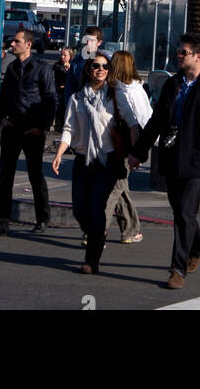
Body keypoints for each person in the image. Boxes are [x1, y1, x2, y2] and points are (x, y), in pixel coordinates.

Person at [128, 32, 200, 290]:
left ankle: (177, 269)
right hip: (172, 156)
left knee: (185, 212)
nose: (178, 55)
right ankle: (198, 248)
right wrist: (138, 151)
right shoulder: (173, 84)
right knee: (181, 212)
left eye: (184, 52)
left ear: (198, 56)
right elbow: (156, 121)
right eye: (178, 51)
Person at [52, 52, 137, 274]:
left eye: (105, 66)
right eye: (96, 66)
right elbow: (69, 129)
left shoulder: (115, 96)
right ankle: (98, 234)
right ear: (88, 70)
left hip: (107, 159)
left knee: (98, 208)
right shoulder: (76, 98)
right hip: (83, 158)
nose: (101, 69)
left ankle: (92, 259)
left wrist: (137, 152)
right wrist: (60, 153)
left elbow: (133, 122)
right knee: (80, 209)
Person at [0, 28, 56, 237]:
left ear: (28, 44)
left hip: (32, 130)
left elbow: (51, 99)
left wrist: (41, 126)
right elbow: (4, 95)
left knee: (35, 175)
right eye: (12, 41)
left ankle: (42, 218)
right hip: (12, 128)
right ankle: (2, 221)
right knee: (6, 176)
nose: (12, 44)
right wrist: (2, 118)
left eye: (17, 41)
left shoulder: (42, 68)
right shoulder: (12, 68)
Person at [106, 50, 152, 243]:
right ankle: (126, 229)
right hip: (128, 144)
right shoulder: (135, 89)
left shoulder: (115, 90)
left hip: (116, 144)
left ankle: (124, 229)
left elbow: (135, 123)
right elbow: (145, 118)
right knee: (118, 186)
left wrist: (136, 152)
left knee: (118, 187)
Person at [64, 26, 104, 106]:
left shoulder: (105, 61)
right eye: (86, 40)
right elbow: (70, 87)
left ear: (99, 42)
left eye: (92, 40)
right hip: (80, 107)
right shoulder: (77, 61)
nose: (88, 43)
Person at [52, 47, 73, 131]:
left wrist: (70, 69)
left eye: (65, 55)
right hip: (59, 91)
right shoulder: (57, 66)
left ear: (70, 56)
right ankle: (58, 125)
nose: (62, 57)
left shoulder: (73, 66)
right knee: (59, 109)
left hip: (69, 92)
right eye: (61, 55)